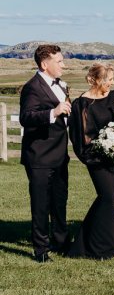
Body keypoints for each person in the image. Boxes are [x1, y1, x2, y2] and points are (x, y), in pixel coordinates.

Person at [19, 44, 71, 262]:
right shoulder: (33, 87)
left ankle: (61, 243)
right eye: (59, 62)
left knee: (59, 202)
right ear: (44, 64)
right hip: (39, 157)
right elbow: (26, 117)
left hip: (59, 155)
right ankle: (41, 251)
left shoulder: (61, 85)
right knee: (41, 205)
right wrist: (53, 112)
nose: (63, 65)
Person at [68, 63, 114, 259]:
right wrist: (95, 152)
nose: (112, 83)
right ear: (97, 80)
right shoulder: (81, 104)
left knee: (109, 200)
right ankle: (92, 246)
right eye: (109, 79)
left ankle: (106, 244)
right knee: (106, 196)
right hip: (96, 158)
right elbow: (80, 136)